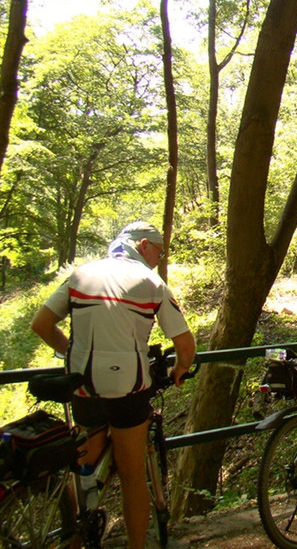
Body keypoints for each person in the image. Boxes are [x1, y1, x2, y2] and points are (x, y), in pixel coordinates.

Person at [32, 221, 196, 549]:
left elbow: (41, 324)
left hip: (83, 384)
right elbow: (186, 346)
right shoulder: (152, 282)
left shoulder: (82, 274)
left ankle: (71, 539)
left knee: (85, 466)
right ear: (144, 245)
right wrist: (178, 372)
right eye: (158, 253)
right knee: (133, 475)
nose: (157, 261)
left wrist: (72, 353)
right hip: (129, 390)